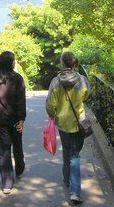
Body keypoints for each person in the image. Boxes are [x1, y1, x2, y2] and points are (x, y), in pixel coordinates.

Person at [45, 51, 89, 205]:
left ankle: (67, 178)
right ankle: (75, 192)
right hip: (79, 122)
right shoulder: (82, 80)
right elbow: (86, 96)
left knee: (68, 151)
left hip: (63, 123)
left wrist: (52, 114)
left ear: (62, 63)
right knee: (75, 154)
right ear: (74, 63)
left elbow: (51, 104)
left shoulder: (56, 82)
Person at [0, 51, 26, 194]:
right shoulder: (18, 78)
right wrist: (22, 119)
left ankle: (7, 183)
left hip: (1, 119)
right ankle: (19, 168)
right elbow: (22, 101)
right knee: (17, 144)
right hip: (16, 118)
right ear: (11, 62)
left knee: (4, 149)